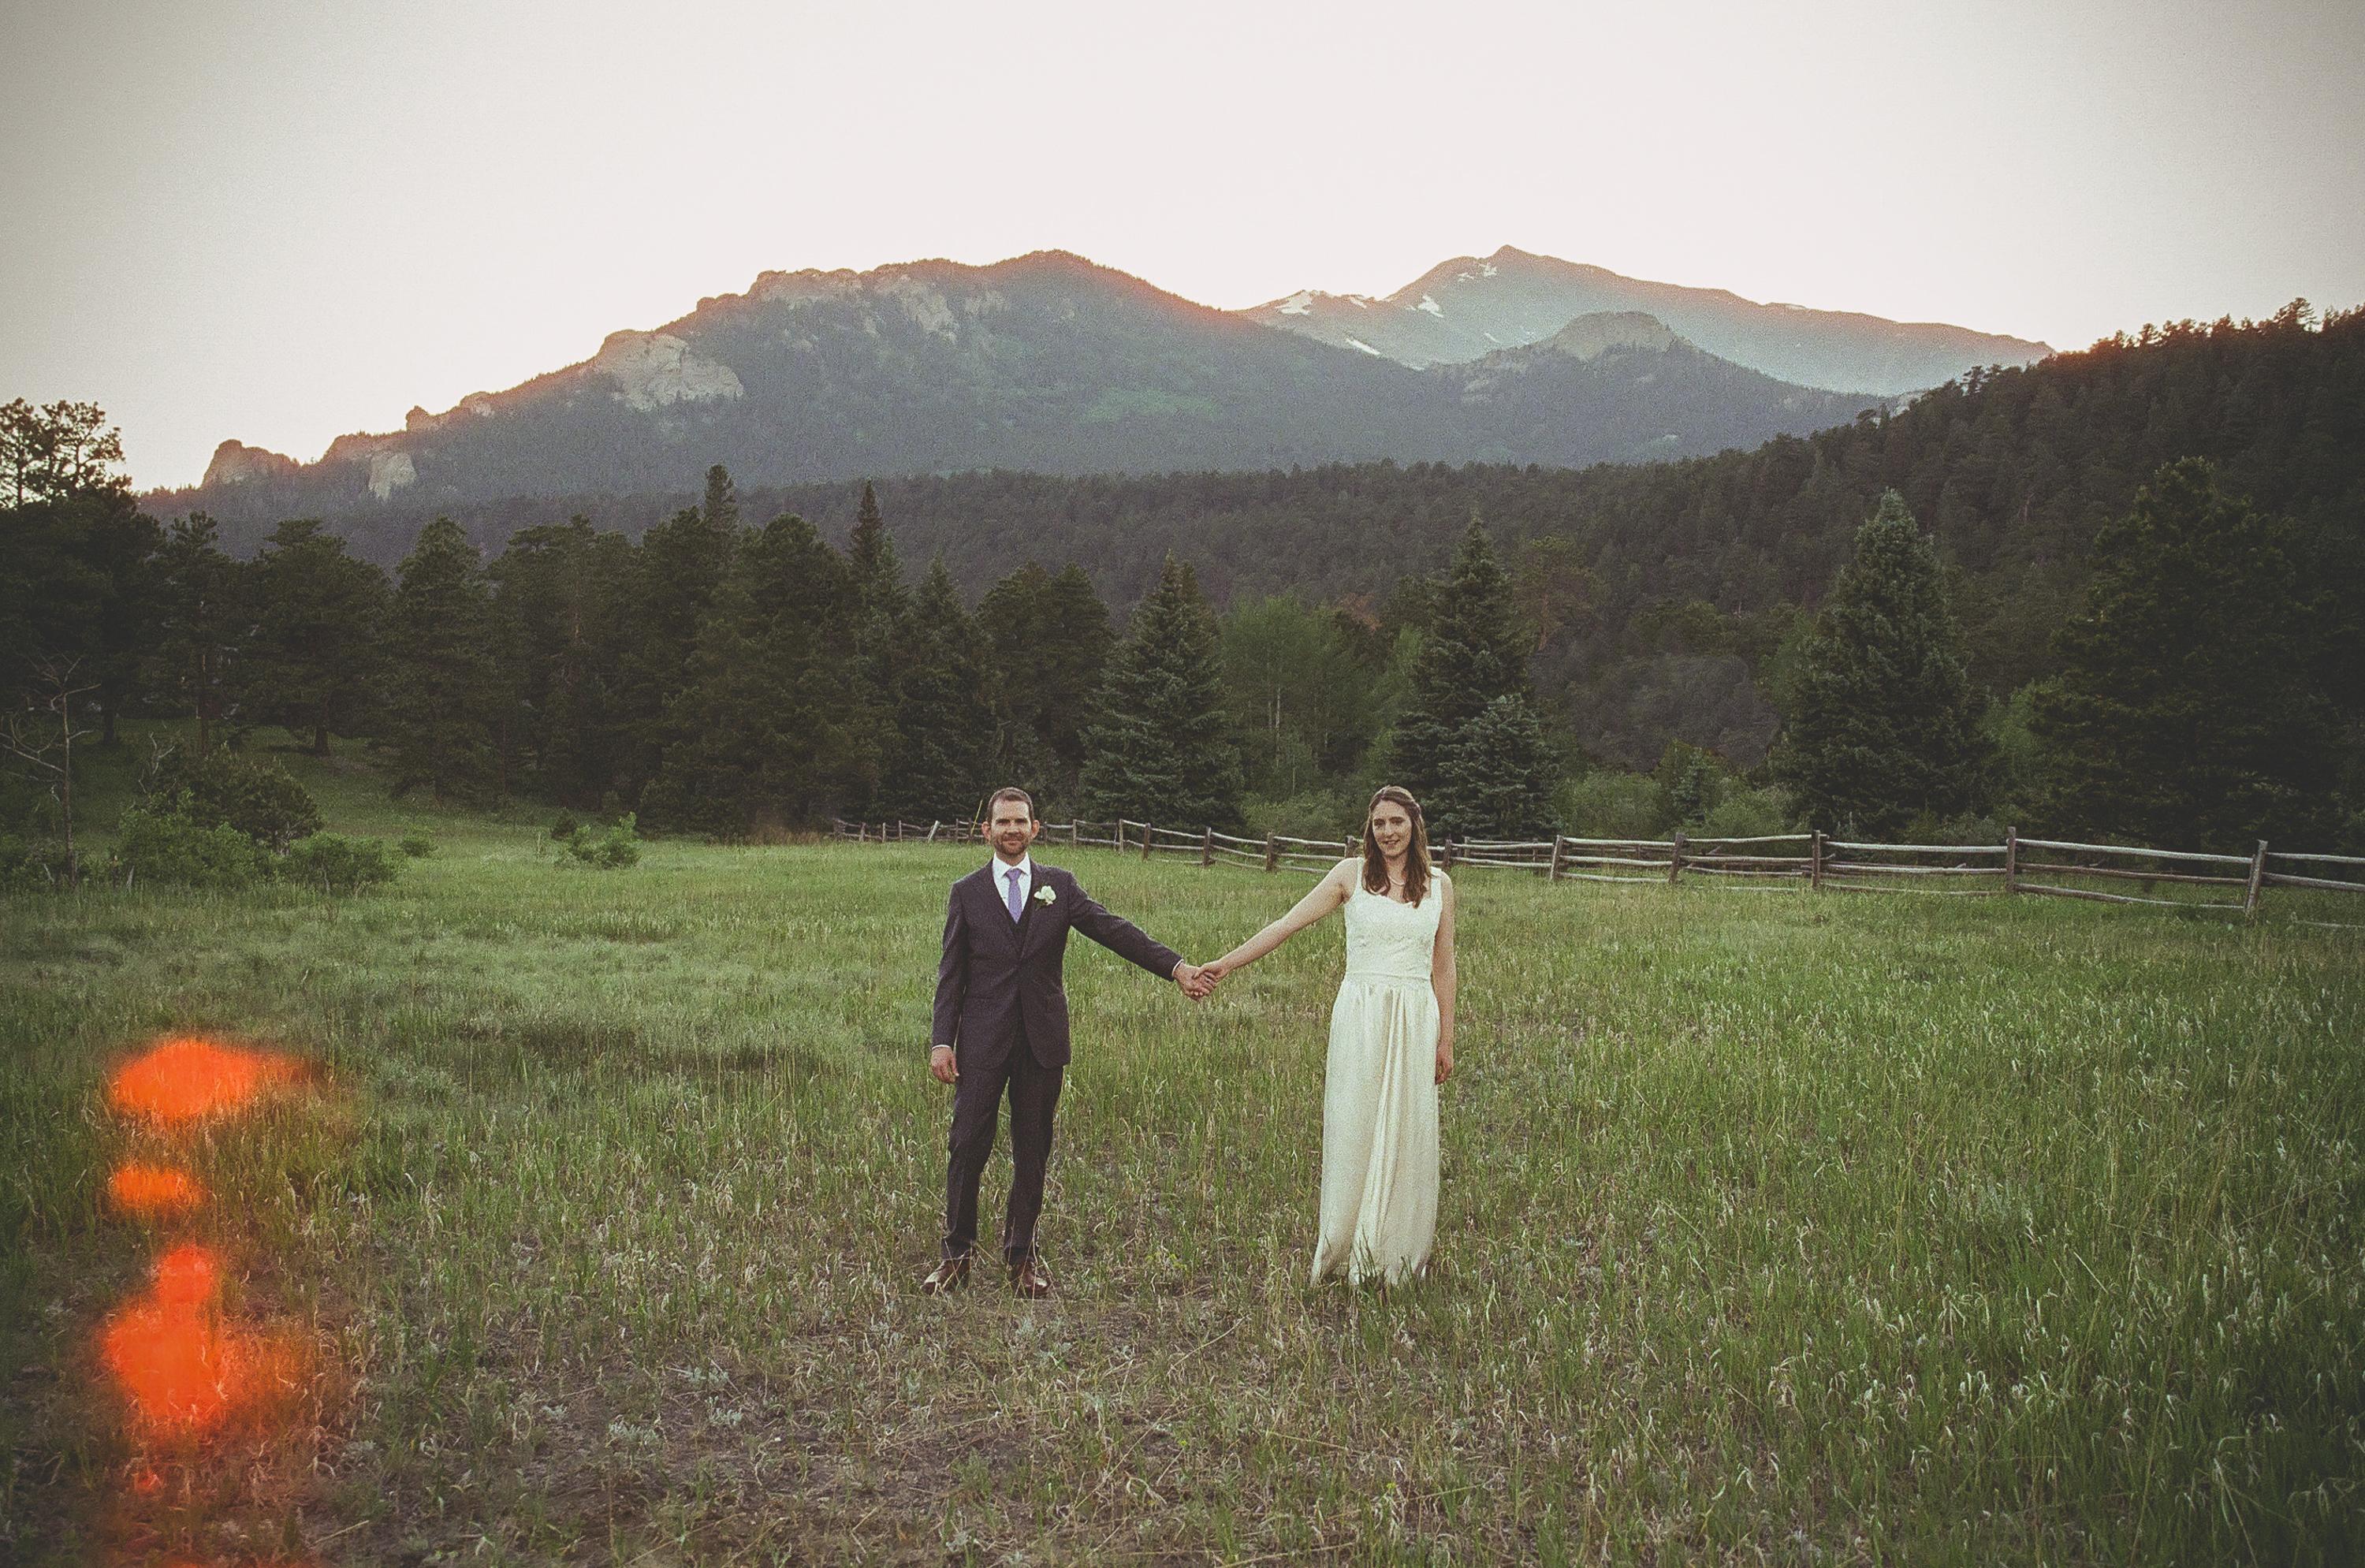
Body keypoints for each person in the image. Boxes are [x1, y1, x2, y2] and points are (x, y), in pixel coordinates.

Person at [925, 787, 1216, 1298]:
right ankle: (956, 1257)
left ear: (1035, 828)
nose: (1012, 830)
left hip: (1042, 1043)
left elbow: (1113, 929)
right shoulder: (966, 892)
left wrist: (1175, 967)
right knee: (966, 1145)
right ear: (986, 830)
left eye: (1021, 821)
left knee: (1032, 1149)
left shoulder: (1058, 886)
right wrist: (941, 1041)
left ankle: (1021, 1258)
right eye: (1003, 822)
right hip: (981, 1042)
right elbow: (951, 976)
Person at [1201, 786, 1455, 1287]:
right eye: (1379, 824)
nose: (1388, 832)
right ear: (1369, 829)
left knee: (1407, 1129)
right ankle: (1345, 1242)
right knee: (1355, 1125)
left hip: (1415, 1016)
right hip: (1361, 1016)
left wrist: (1446, 1039)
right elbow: (1285, 925)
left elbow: (1443, 967)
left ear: (1415, 825)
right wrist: (1226, 964)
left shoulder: (1440, 886)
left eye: (1397, 822)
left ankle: (1394, 1251)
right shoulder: (1349, 875)